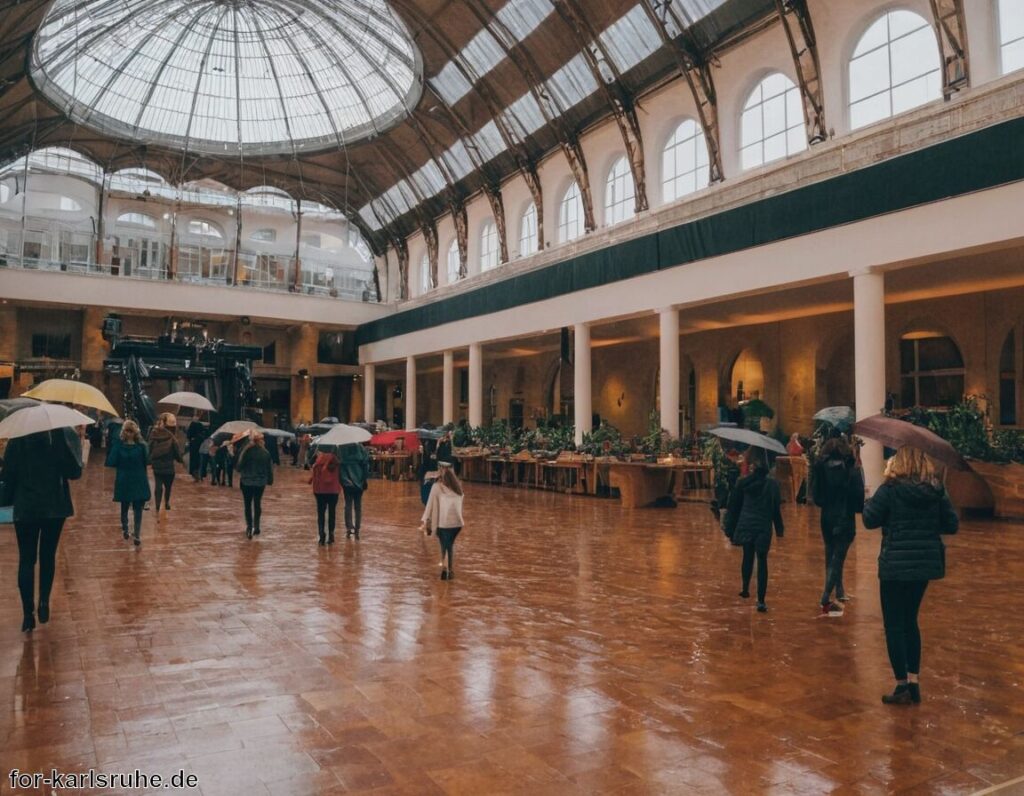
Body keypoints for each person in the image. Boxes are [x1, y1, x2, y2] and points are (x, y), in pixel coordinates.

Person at [862, 446, 958, 705]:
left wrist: (870, 499)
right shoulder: (936, 490)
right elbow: (952, 524)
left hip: (894, 564)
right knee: (910, 621)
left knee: (894, 625)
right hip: (924, 565)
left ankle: (901, 684)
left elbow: (869, 520)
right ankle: (914, 683)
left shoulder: (890, 489)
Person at [0, 427, 83, 632]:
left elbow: (8, 475)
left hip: (26, 507)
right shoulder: (58, 436)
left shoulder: (18, 439)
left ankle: (28, 614)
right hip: (55, 507)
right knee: (48, 555)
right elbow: (74, 471)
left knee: (27, 559)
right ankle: (44, 601)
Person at [725, 448, 784, 612]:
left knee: (747, 556)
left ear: (752, 466)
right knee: (762, 561)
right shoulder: (773, 485)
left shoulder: (742, 483)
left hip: (746, 524)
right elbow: (775, 510)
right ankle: (761, 600)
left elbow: (733, 507)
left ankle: (745, 588)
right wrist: (779, 530)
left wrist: (730, 529)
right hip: (764, 527)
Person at [812, 438, 864, 616]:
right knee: (839, 557)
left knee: (830, 552)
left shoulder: (820, 468)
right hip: (845, 516)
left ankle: (839, 589)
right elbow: (859, 501)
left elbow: (816, 497)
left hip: (826, 516)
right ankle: (826, 595)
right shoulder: (852, 470)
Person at [105, 420, 150, 546]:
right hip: (137, 478)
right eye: (127, 431)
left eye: (131, 431)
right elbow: (147, 460)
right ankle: (133, 532)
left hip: (125, 479)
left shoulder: (120, 446)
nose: (129, 433)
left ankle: (132, 531)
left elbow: (111, 461)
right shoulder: (140, 447)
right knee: (135, 508)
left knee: (128, 506)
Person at [420, 464, 465, 580]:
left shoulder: (436, 487)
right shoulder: (458, 488)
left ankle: (446, 570)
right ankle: (449, 569)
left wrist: (425, 520)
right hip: (457, 524)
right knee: (449, 545)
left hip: (443, 523)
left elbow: (429, 505)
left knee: (445, 546)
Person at [236, 432, 273, 539]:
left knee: (247, 505)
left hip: (246, 482)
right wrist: (270, 480)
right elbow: (269, 469)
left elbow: (238, 467)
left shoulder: (246, 451)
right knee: (257, 503)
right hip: (260, 483)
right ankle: (256, 526)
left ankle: (249, 527)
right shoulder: (265, 453)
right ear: (261, 441)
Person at [148, 413, 183, 515]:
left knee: (158, 486)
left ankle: (157, 507)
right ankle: (166, 502)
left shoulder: (154, 433)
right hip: (169, 466)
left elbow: (149, 447)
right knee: (168, 486)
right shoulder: (172, 437)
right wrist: (180, 459)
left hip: (157, 465)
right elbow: (177, 453)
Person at [309, 449, 341, 545]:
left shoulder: (317, 459)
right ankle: (331, 534)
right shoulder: (336, 459)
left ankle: (321, 535)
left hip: (320, 490)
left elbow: (309, 465)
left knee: (321, 513)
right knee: (332, 512)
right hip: (333, 490)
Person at [339, 442, 370, 539]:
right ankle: (357, 528)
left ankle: (349, 528)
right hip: (359, 481)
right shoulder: (360, 448)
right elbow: (366, 466)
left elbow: (340, 467)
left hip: (347, 482)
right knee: (358, 506)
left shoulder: (342, 448)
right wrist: (364, 479)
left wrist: (343, 480)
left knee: (348, 505)